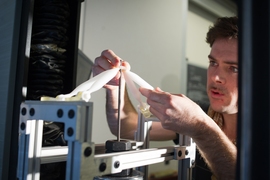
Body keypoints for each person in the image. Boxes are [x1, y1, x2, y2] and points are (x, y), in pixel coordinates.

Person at [92, 16, 238, 180]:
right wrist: (116, 89)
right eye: (213, 63)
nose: (216, 77)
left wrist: (200, 127)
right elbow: (127, 126)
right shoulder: (203, 113)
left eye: (233, 68)